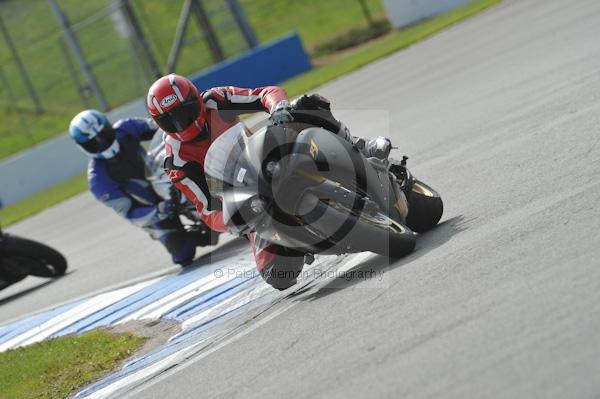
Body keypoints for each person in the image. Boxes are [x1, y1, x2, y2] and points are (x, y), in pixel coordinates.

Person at [146, 74, 391, 289]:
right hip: (247, 201)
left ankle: (358, 146)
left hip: (266, 154)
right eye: (171, 120)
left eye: (184, 112)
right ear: (161, 124)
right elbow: (207, 209)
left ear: (195, 100)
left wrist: (278, 109)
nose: (182, 123)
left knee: (306, 105)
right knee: (278, 276)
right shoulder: (176, 160)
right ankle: (301, 239)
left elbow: (266, 93)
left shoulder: (216, 99)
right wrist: (234, 219)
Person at [68, 109, 216, 266]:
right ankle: (192, 233)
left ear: (109, 125)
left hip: (165, 178)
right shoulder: (98, 180)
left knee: (191, 171)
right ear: (83, 147)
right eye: (93, 142)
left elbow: (165, 130)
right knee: (183, 253)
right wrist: (160, 210)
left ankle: (214, 198)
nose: (102, 141)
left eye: (103, 133)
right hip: (153, 209)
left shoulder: (126, 128)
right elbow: (130, 213)